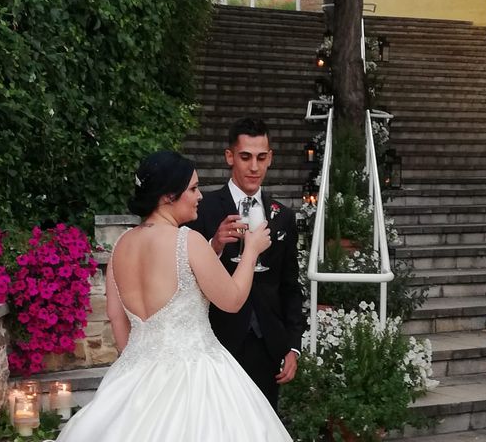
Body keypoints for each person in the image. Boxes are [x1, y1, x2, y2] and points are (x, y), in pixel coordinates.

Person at [56, 150, 292, 441]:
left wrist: (137, 360)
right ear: (169, 196)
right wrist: (252, 251)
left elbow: (117, 318)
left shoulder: (121, 245)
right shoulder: (187, 240)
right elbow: (232, 300)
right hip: (197, 376)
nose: (199, 196)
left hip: (134, 373)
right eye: (192, 189)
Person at [187, 117, 305, 410]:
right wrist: (215, 245)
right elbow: (185, 276)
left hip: (268, 345)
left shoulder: (284, 217)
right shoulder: (203, 209)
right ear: (230, 157)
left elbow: (290, 286)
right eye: (245, 157)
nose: (254, 167)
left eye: (261, 157)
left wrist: (293, 346)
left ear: (270, 159)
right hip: (217, 342)